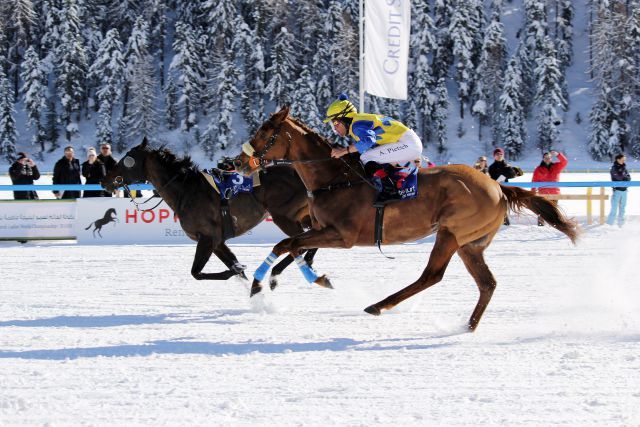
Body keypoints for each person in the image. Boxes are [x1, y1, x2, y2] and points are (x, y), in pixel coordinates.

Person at [324, 93, 423, 203]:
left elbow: (368, 141)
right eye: (333, 125)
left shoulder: (356, 125)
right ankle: (394, 184)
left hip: (407, 143)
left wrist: (344, 150)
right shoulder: (357, 123)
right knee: (370, 157)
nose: (335, 128)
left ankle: (389, 190)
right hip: (408, 143)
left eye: (336, 123)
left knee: (367, 157)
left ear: (345, 118)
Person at [532, 151, 568, 226]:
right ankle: (540, 227)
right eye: (546, 158)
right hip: (543, 193)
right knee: (542, 211)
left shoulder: (556, 166)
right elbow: (534, 182)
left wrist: (558, 155)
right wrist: (533, 193)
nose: (547, 159)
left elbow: (565, 161)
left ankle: (556, 226)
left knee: (554, 211)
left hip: (554, 193)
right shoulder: (538, 169)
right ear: (543, 159)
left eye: (549, 157)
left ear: (551, 158)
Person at [489, 148, 523, 225]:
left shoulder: (507, 165)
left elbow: (512, 175)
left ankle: (505, 222)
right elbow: (493, 177)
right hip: (496, 189)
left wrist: (503, 175)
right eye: (497, 154)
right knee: (497, 206)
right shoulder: (491, 167)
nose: (499, 156)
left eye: (501, 154)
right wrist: (503, 175)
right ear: (494, 156)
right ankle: (499, 222)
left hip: (506, 188)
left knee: (505, 206)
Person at [606, 153, 631, 227]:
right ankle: (609, 225)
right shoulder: (614, 168)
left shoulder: (624, 167)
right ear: (618, 159)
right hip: (617, 190)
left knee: (623, 208)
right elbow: (618, 177)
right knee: (614, 208)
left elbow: (629, 178)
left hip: (624, 190)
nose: (624, 161)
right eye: (622, 159)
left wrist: (625, 177)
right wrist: (625, 177)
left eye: (624, 160)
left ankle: (621, 224)